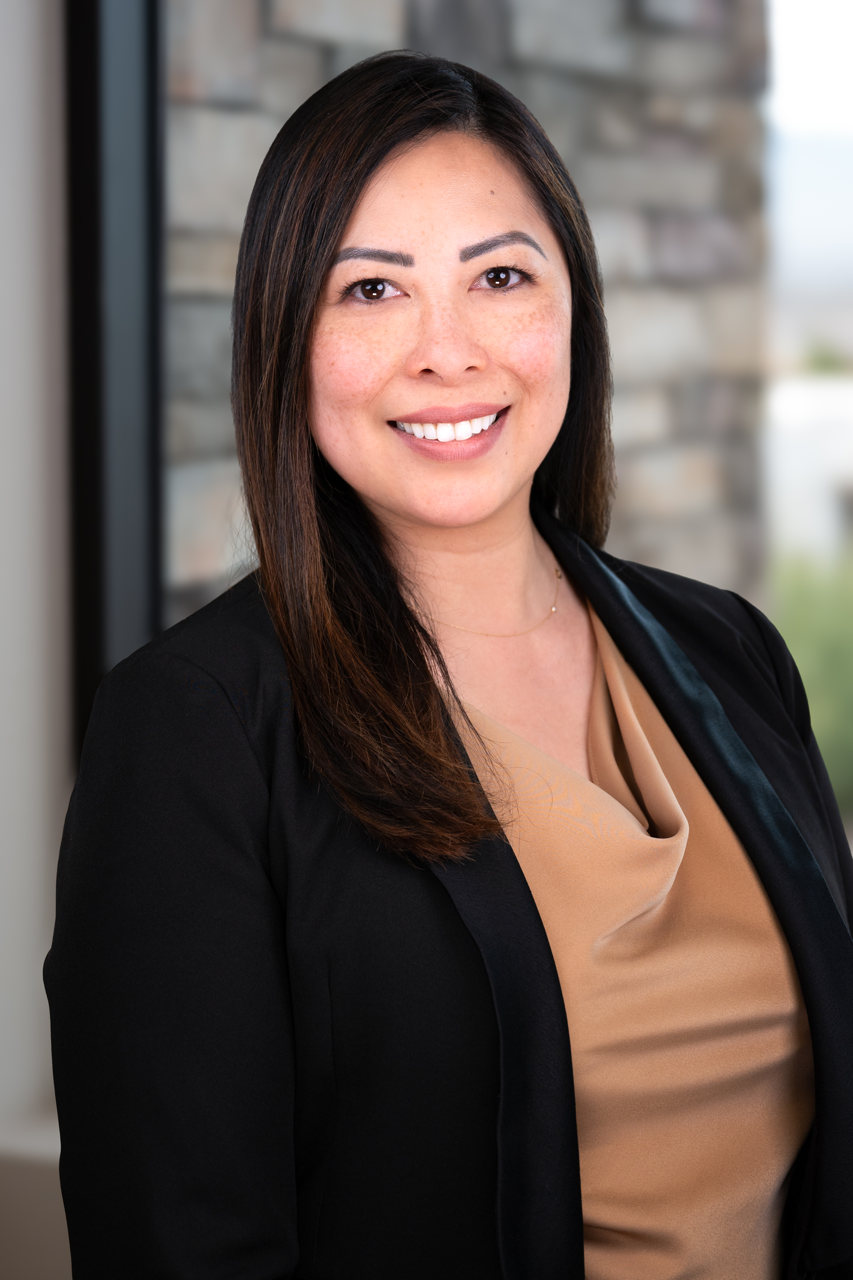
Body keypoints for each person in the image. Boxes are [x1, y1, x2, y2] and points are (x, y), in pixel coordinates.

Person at [45, 52, 853, 1280]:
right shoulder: (193, 731)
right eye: (371, 291)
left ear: (571, 306)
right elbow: (183, 1237)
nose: (448, 351)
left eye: (501, 277)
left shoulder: (729, 651)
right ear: (286, 339)